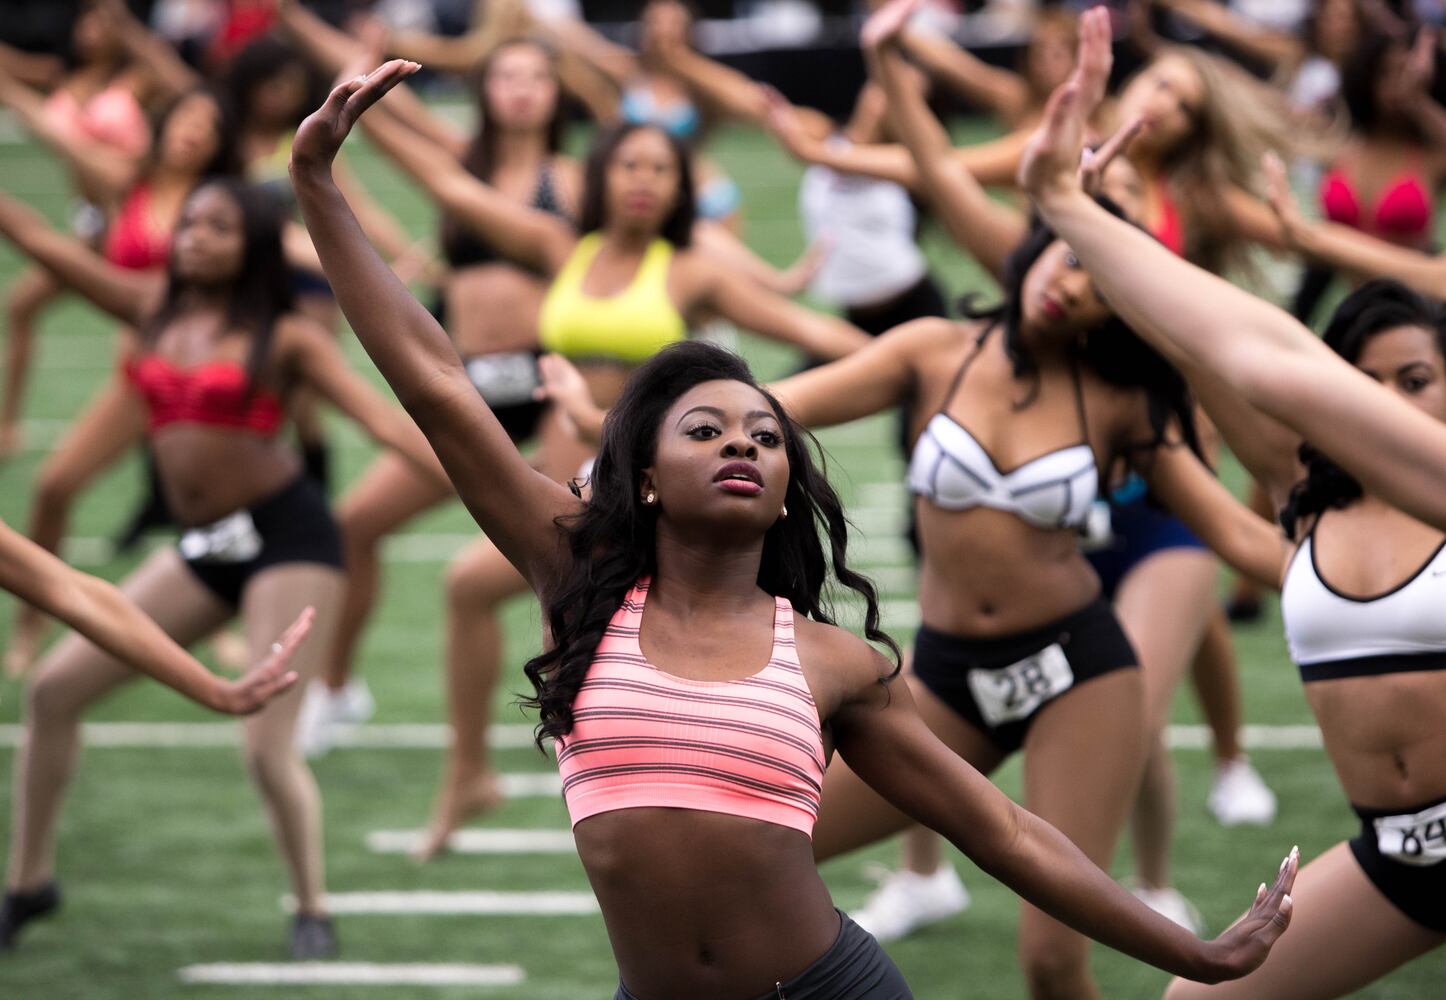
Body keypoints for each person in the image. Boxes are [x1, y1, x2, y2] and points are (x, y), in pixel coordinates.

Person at [289, 59, 1300, 998]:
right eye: (706, 428)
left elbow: (1004, 831)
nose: (743, 444)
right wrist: (320, 189)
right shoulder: (574, 571)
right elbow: (437, 383)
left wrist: (1199, 954)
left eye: (765, 437)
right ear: (642, 477)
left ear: (784, 492)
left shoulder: (831, 661)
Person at [344, 54, 871, 857]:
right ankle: (470, 774)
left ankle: (732, 793)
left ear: (679, 185)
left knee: (547, 623)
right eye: (628, 164)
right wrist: (356, 120)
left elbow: (816, 336)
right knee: (488, 601)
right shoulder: (565, 247)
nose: (644, 181)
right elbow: (455, 192)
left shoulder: (692, 266)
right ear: (600, 174)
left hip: (641, 496)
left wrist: (893, 361)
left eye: (662, 168)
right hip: (562, 486)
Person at [1022, 19, 1446, 995]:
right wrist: (1084, 216)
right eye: (1369, 381)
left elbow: (1276, 357)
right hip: (1399, 857)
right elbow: (1222, 350)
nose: (1391, 403)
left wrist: (1086, 218)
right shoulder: (1313, 497)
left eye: (1417, 378)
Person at [0, 176, 446, 959]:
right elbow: (41, 245)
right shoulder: (149, 310)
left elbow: (382, 422)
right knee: (54, 690)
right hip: (207, 545)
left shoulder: (288, 334)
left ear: (255, 247)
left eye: (220, 226)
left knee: (265, 744)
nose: (196, 237)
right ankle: (29, 882)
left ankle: (313, 907)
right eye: (190, 223)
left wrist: (495, 483)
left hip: (288, 539)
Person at [0, 85, 240, 674]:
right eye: (185, 115)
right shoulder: (124, 182)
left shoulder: (219, 202)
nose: (192, 131)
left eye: (208, 124)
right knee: (55, 486)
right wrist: (9, 89)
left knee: (213, 508)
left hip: (196, 380)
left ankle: (220, 626)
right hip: (135, 380)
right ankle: (29, 628)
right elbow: (59, 136)